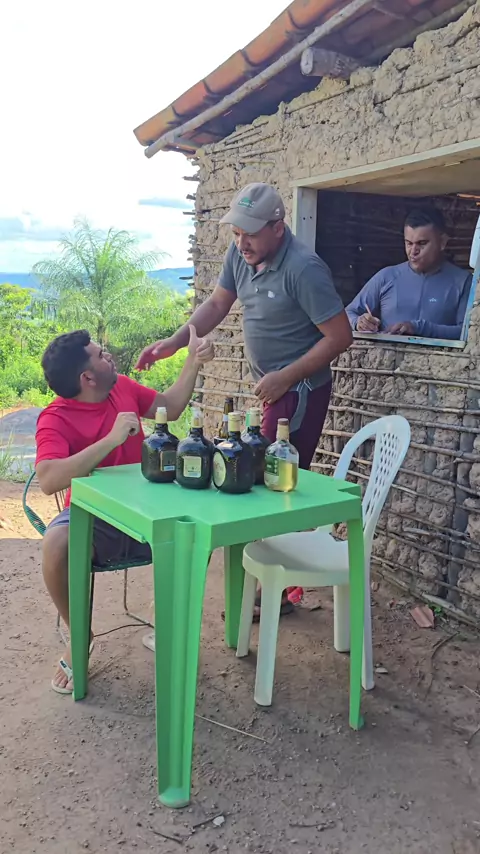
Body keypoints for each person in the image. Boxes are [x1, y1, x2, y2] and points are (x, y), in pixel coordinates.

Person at [136, 182, 352, 618]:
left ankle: (275, 590)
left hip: (298, 391)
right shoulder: (242, 255)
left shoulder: (303, 269)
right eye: (236, 233)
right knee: (256, 479)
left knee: (268, 483)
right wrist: (176, 342)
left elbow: (340, 336)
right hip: (272, 388)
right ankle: (270, 583)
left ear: (278, 227)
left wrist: (285, 377)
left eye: (250, 233)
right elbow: (218, 304)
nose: (241, 242)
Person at [36, 326, 214, 694]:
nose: (110, 356)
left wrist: (194, 360)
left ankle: (164, 617)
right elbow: (49, 479)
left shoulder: (123, 388)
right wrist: (111, 440)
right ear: (87, 378)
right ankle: (80, 635)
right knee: (56, 544)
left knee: (199, 526)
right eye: (100, 355)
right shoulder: (55, 417)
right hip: (95, 519)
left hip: (148, 508)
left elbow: (170, 406)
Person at [346, 207, 472, 339]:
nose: (413, 251)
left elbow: (468, 333)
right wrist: (359, 322)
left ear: (442, 242)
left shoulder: (463, 282)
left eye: (422, 243)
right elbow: (349, 313)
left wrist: (420, 328)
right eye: (409, 243)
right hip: (387, 353)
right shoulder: (387, 277)